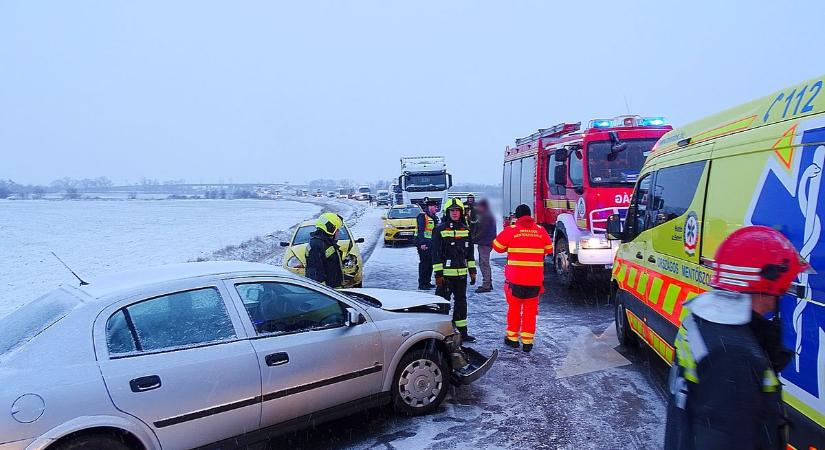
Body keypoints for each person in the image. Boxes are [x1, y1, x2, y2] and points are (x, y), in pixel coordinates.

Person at [664, 225, 808, 450]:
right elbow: (723, 439)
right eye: (784, 284)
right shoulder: (734, 353)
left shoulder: (703, 322)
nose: (785, 290)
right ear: (767, 284)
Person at [492, 204, 553, 352]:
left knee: (514, 309)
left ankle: (512, 339)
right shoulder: (540, 230)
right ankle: (527, 342)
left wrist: (511, 246)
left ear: (517, 217)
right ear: (530, 215)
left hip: (515, 281)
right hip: (534, 281)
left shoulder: (512, 231)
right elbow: (549, 249)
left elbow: (497, 247)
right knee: (530, 312)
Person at [432, 197, 477, 342]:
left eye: (457, 210)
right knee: (442, 305)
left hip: (461, 276)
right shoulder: (440, 230)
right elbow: (436, 254)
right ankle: (440, 333)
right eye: (452, 211)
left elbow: (470, 253)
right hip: (445, 277)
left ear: (461, 212)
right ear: (447, 212)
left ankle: (462, 332)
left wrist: (472, 271)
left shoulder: (466, 230)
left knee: (461, 304)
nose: (455, 213)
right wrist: (438, 274)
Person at [305, 212, 345, 288]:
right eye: (337, 230)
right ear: (331, 228)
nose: (338, 232)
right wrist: (325, 292)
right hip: (327, 293)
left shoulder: (327, 243)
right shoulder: (317, 246)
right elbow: (315, 274)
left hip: (333, 290)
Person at [472, 198, 497, 293]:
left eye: (479, 206)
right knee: (484, 263)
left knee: (484, 263)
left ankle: (486, 284)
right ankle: (488, 283)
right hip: (486, 242)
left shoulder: (485, 216)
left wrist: (473, 239)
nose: (477, 208)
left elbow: (482, 231)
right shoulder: (487, 214)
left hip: (485, 243)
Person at [415, 198, 440, 290]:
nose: (436, 208)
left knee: (430, 264)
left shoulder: (434, 217)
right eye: (434, 206)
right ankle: (422, 283)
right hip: (423, 244)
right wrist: (422, 243)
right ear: (429, 206)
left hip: (431, 244)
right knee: (424, 264)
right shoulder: (422, 216)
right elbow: (420, 231)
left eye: (436, 207)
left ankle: (427, 282)